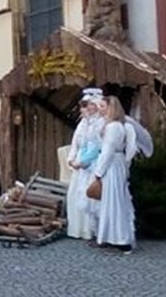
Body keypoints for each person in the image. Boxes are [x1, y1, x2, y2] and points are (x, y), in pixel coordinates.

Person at [91, 96, 137, 254]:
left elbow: (108, 151)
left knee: (115, 202)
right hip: (116, 165)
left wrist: (98, 172)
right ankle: (109, 237)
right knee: (111, 202)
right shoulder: (115, 125)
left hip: (112, 166)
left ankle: (122, 240)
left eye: (103, 106)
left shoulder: (114, 127)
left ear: (111, 108)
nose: (101, 109)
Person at [67, 88, 105, 240]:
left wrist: (83, 162)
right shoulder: (83, 123)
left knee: (90, 197)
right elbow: (75, 143)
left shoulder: (101, 123)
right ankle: (78, 229)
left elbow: (97, 147)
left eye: (90, 105)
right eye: (85, 105)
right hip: (80, 165)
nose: (87, 108)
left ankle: (92, 231)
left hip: (92, 165)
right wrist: (71, 158)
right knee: (74, 196)